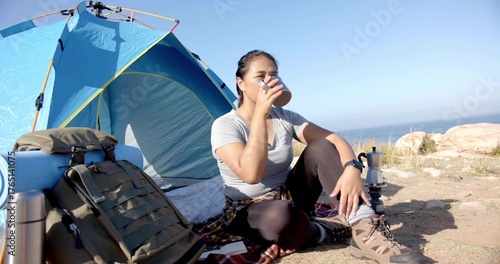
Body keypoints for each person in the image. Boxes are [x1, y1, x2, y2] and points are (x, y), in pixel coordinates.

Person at [210, 49, 421, 263]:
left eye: (273, 75)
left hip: (290, 196)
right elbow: (251, 174)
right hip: (249, 208)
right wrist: (259, 117)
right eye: (260, 76)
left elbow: (334, 139)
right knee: (280, 217)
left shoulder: (285, 117)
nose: (269, 81)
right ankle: (323, 230)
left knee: (319, 146)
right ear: (241, 83)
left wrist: (352, 168)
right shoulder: (225, 126)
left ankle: (367, 231)